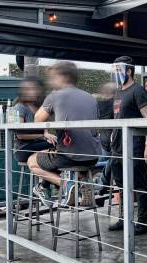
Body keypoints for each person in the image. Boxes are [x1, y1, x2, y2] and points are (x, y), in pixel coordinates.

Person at [27, 61, 102, 207]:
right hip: (92, 157)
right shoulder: (90, 97)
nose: (51, 81)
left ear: (63, 76)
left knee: (32, 160)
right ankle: (82, 181)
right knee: (50, 155)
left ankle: (67, 184)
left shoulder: (55, 96)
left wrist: (51, 116)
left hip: (70, 156)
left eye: (53, 77)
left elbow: (37, 119)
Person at [107, 56, 147, 235]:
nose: (115, 75)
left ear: (128, 71)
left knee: (139, 185)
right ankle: (124, 218)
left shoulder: (138, 90)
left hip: (134, 146)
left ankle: (142, 223)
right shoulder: (118, 92)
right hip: (117, 146)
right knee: (121, 185)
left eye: (118, 71)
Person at [13, 77, 53, 164]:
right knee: (55, 146)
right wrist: (43, 136)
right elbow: (20, 135)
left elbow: (46, 130)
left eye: (34, 89)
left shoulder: (41, 108)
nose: (32, 92)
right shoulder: (20, 107)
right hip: (22, 149)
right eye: (28, 89)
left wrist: (46, 135)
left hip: (40, 144)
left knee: (59, 145)